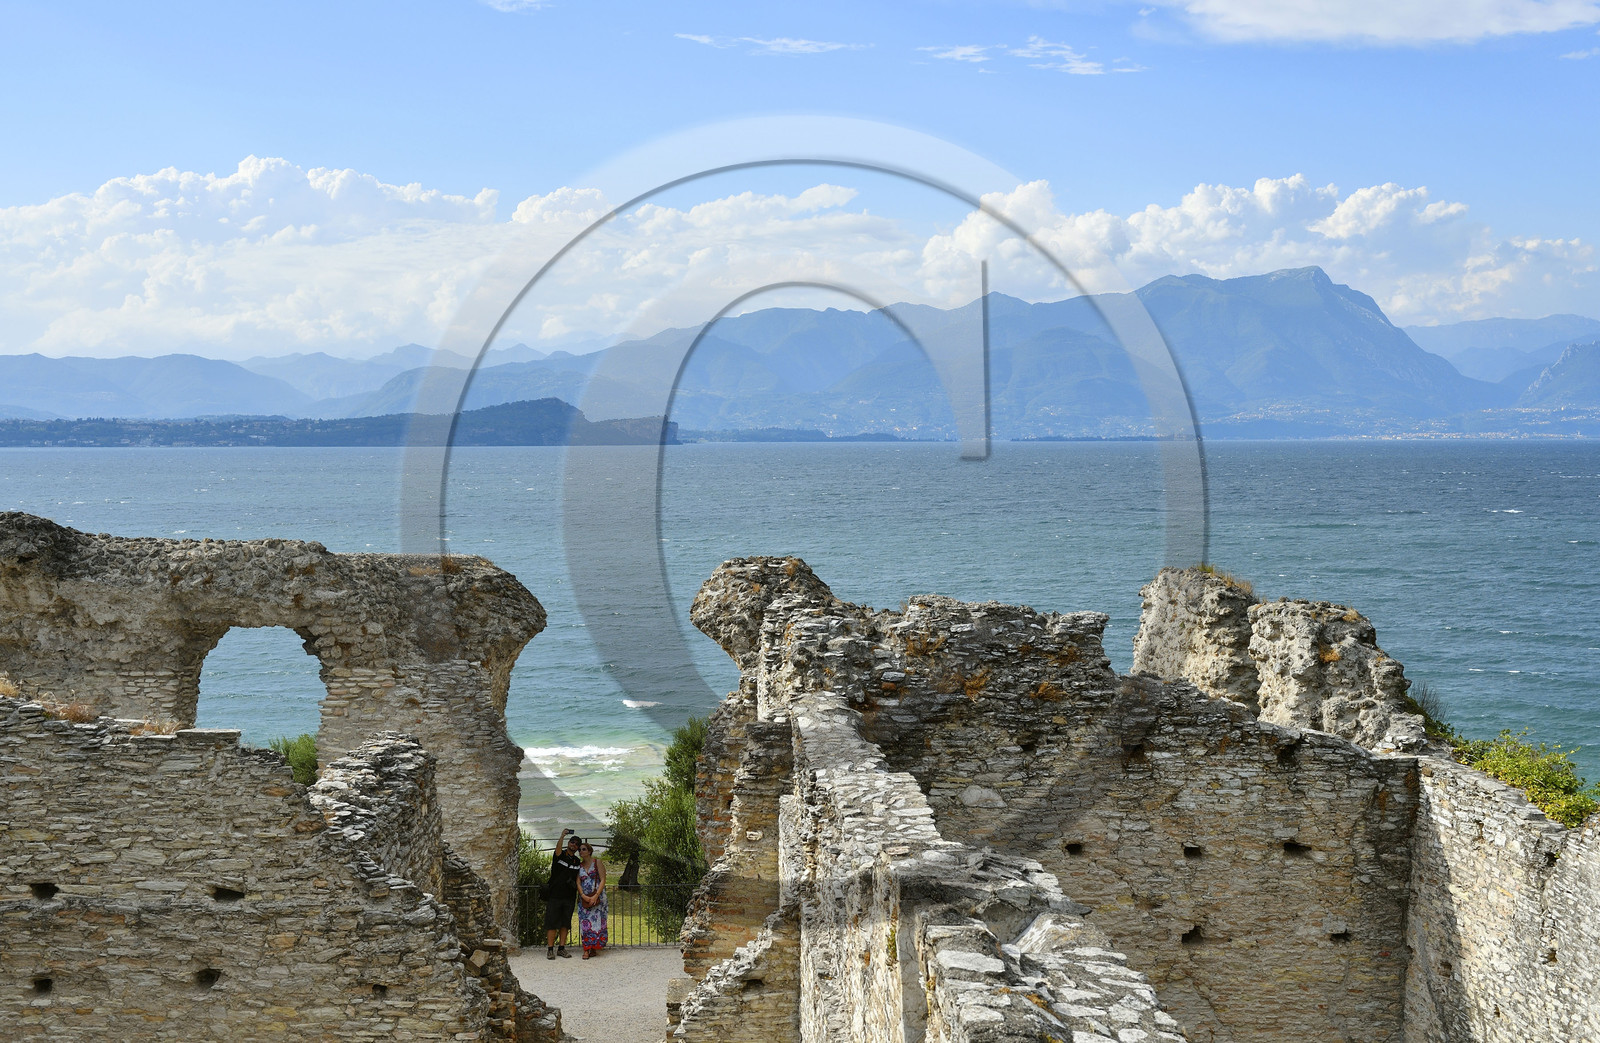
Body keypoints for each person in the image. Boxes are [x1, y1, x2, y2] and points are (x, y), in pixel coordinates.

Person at [544, 829, 583, 959]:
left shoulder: (577, 861)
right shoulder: (560, 856)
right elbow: (558, 850)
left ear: (578, 848)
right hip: (555, 895)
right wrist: (562, 835)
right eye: (572, 842)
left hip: (569, 896)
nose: (573, 845)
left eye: (577, 844)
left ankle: (561, 948)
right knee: (552, 923)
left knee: (565, 923)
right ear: (568, 843)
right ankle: (550, 949)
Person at [576, 840, 608, 958]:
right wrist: (583, 895)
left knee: (598, 923)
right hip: (584, 897)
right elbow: (578, 882)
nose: (580, 851)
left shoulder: (597, 862)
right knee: (585, 923)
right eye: (579, 850)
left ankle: (594, 947)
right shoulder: (579, 866)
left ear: (589, 851)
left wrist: (596, 895)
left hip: (598, 896)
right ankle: (586, 948)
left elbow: (603, 879)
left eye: (583, 849)